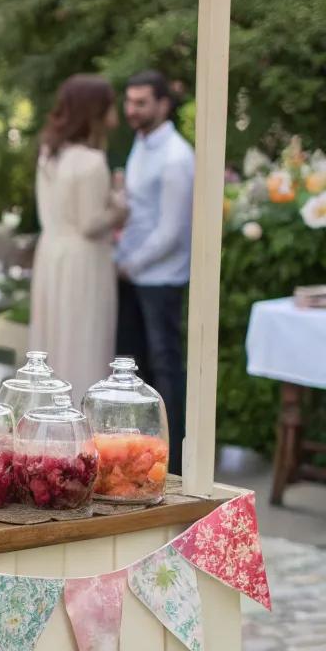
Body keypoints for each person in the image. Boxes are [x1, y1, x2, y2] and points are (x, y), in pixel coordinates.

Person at [116, 70, 195, 474]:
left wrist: (129, 264)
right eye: (129, 101)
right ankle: (137, 460)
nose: (132, 110)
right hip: (132, 274)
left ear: (163, 104)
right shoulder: (140, 143)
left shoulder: (177, 157)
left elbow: (171, 231)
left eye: (141, 102)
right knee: (132, 370)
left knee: (165, 371)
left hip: (160, 279)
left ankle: (176, 463)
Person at [29, 75, 126, 402]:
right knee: (84, 338)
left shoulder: (49, 154)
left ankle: (48, 411)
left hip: (52, 253)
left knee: (55, 338)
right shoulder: (92, 161)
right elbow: (90, 223)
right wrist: (119, 209)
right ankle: (80, 407)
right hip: (83, 259)